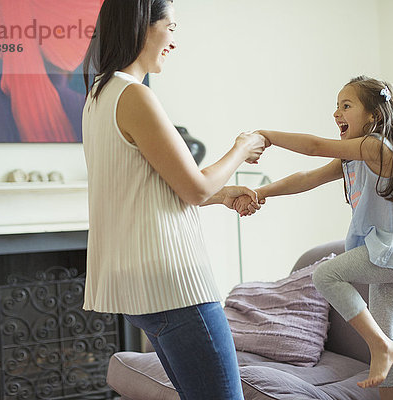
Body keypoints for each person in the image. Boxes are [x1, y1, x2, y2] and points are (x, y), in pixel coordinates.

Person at [81, 1, 265, 399]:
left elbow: (144, 186)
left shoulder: (99, 97)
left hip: (140, 286)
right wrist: (241, 147)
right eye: (171, 27)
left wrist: (221, 195)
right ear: (143, 28)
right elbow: (193, 187)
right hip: (175, 286)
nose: (175, 42)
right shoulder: (135, 96)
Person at [234, 76, 393, 400]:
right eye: (336, 106)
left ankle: (381, 347)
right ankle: (384, 353)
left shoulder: (376, 147)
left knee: (326, 274)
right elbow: (306, 178)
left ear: (373, 116)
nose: (336, 113)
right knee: (384, 336)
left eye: (346, 105)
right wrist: (262, 192)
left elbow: (314, 147)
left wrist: (267, 136)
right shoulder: (352, 158)